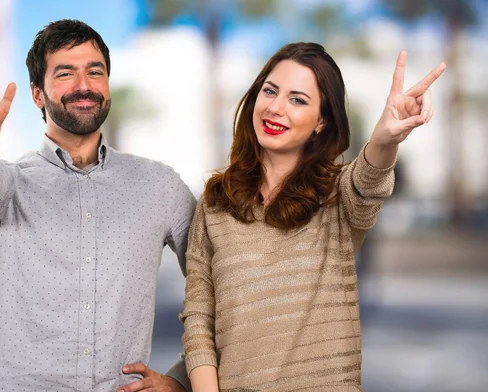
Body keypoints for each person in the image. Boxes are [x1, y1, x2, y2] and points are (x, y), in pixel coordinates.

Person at [180, 42, 445, 391]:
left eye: (297, 100)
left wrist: (384, 141)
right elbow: (200, 317)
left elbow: (370, 180)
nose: (275, 108)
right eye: (270, 91)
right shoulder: (215, 202)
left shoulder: (338, 196)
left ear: (322, 120)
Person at [0, 19, 195, 392]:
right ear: (37, 94)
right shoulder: (8, 184)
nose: (84, 85)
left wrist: (179, 380)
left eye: (94, 72)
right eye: (65, 73)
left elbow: (217, 286)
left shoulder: (159, 186)